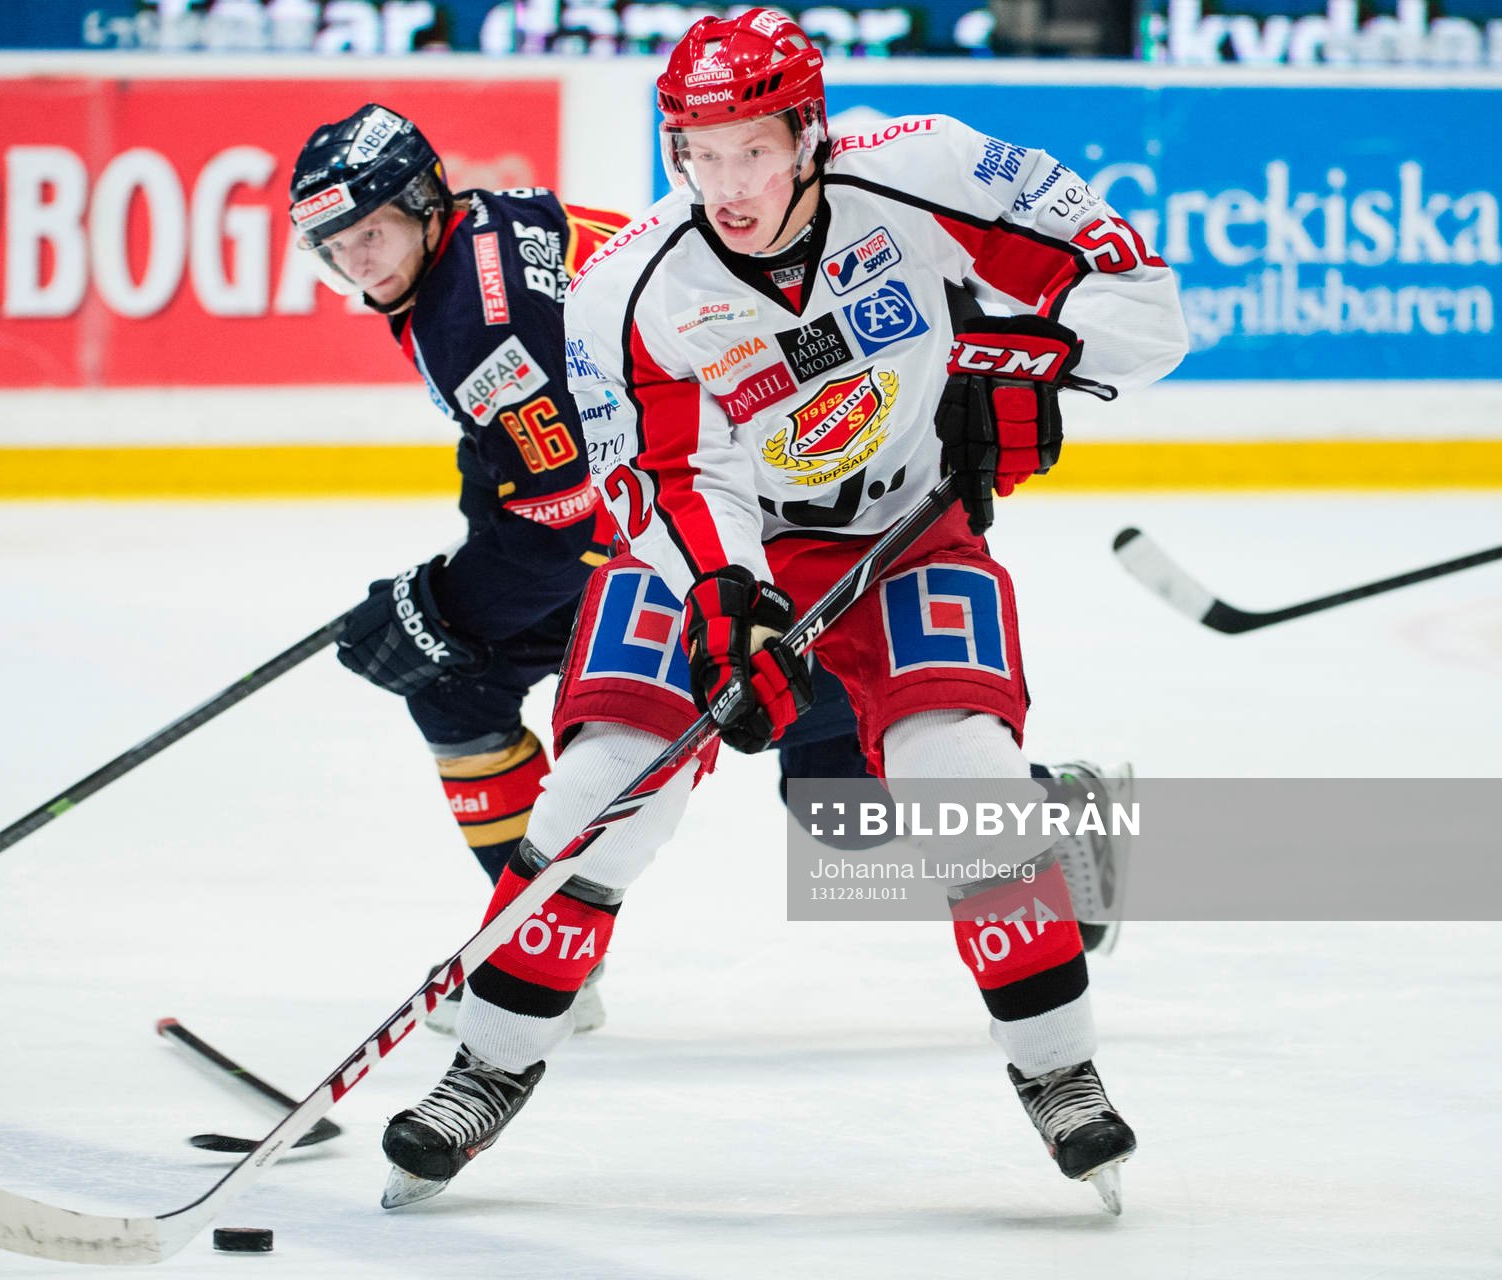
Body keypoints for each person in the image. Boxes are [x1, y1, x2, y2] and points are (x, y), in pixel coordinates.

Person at [379, 9, 1184, 1214]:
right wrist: (729, 598)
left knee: (959, 780)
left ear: (808, 133)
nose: (727, 185)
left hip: (904, 534)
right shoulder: (631, 285)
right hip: (707, 555)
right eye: (697, 154)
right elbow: (658, 473)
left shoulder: (928, 170)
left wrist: (1002, 360)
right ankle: (485, 1066)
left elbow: (1143, 309)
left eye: (751, 150)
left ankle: (1059, 1068)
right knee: (598, 792)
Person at [288, 103, 915, 1035]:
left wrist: (444, 607)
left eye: (370, 234)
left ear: (423, 204)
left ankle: (1065, 830)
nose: (359, 264)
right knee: (460, 688)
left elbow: (566, 526)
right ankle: (542, 956)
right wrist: (455, 594)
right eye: (336, 249)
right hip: (688, 503)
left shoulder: (477, 324)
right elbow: (518, 460)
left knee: (839, 803)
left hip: (739, 531)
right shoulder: (486, 229)